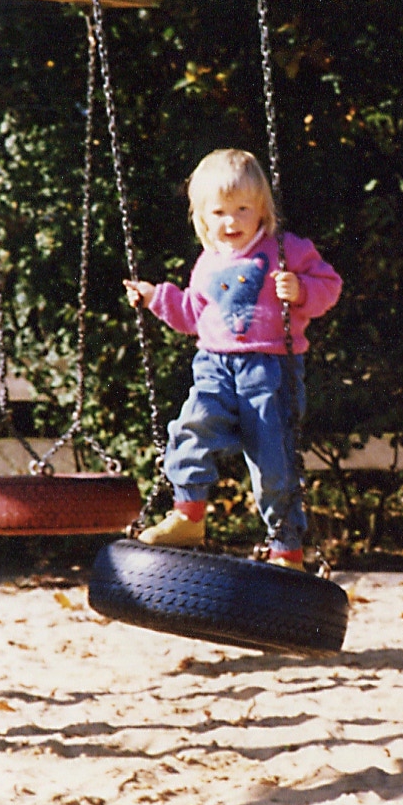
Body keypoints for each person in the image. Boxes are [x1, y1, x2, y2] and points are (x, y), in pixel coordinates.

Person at [123, 148, 342, 567]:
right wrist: (155, 297)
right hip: (214, 366)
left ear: (262, 209)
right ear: (203, 218)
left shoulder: (287, 249)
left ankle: (286, 549)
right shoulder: (207, 262)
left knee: (273, 463)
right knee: (190, 428)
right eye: (220, 212)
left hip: (270, 370)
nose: (231, 221)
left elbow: (329, 286)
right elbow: (192, 315)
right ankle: (188, 514)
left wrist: (301, 290)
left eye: (243, 209)